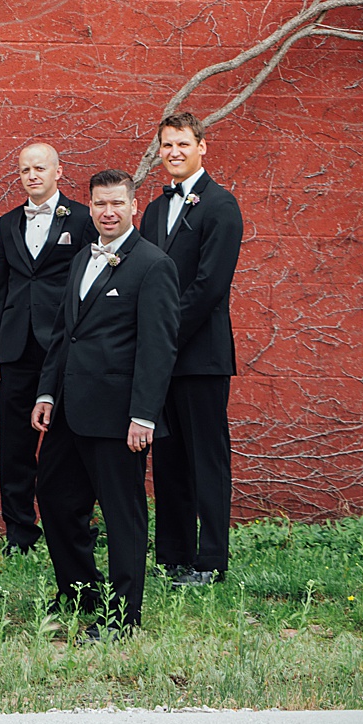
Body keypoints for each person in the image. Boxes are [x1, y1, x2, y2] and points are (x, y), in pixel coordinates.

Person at [32, 170, 180, 633]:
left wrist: (143, 416)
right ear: (89, 207)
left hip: (119, 418)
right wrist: (46, 391)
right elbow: (64, 335)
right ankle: (79, 592)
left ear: (134, 206)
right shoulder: (82, 259)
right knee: (54, 498)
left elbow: (159, 348)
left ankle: (123, 616)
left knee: (124, 516)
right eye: (99, 204)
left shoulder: (154, 265)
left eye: (116, 203)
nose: (108, 212)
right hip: (71, 411)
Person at [138, 110, 244, 583]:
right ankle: (172, 556)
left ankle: (211, 560)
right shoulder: (156, 210)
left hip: (200, 357)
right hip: (163, 361)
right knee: (169, 459)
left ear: (203, 147)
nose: (174, 153)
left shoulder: (221, 205)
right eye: (167, 146)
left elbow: (209, 286)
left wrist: (160, 337)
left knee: (206, 459)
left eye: (183, 144)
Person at [0, 144, 95, 555]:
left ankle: (74, 525)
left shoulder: (83, 218)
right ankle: (19, 532)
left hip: (63, 347)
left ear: (58, 171)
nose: (32, 175)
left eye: (40, 168)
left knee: (69, 439)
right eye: (25, 169)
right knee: (14, 445)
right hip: (15, 348)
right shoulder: (7, 222)